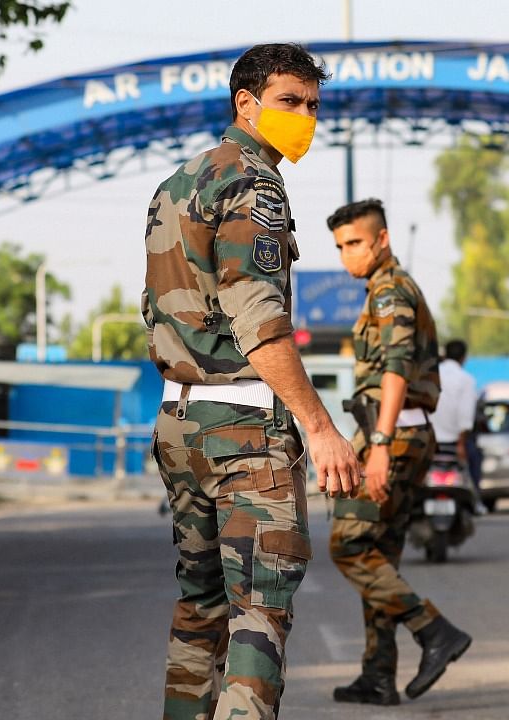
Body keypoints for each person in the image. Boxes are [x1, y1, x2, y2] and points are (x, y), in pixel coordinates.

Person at [142, 43, 360, 720]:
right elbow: (260, 324)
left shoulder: (178, 182)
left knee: (200, 604)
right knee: (259, 609)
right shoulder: (254, 183)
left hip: (181, 422)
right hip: (242, 429)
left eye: (314, 106)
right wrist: (321, 430)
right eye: (290, 102)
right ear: (248, 103)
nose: (306, 119)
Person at [326, 198, 473, 706]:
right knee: (379, 553)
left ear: (382, 240)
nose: (348, 256)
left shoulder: (391, 290)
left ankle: (434, 631)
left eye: (355, 244)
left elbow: (395, 366)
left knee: (348, 546)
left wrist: (381, 447)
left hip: (394, 436)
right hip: (406, 434)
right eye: (340, 246)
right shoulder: (383, 289)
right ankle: (379, 674)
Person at [433, 339, 481, 504]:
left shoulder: (431, 374)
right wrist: (461, 444)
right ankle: (475, 502)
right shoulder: (466, 379)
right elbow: (465, 416)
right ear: (463, 357)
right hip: (454, 443)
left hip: (428, 441)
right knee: (475, 460)